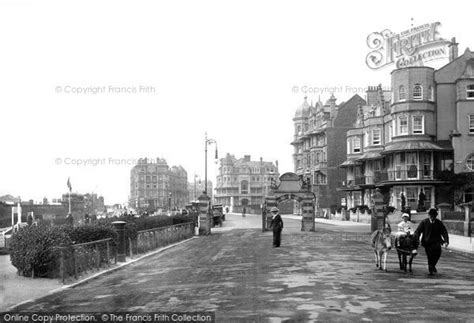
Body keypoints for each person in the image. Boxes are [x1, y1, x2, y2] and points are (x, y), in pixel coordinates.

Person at [414, 208, 449, 276]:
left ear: (436, 216)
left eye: (434, 216)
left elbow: (444, 231)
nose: (432, 217)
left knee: (438, 254)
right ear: (429, 215)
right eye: (431, 216)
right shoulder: (424, 222)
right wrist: (417, 239)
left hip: (437, 241)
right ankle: (430, 268)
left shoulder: (439, 222)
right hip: (427, 242)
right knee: (430, 255)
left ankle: (433, 265)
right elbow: (418, 231)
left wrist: (446, 241)